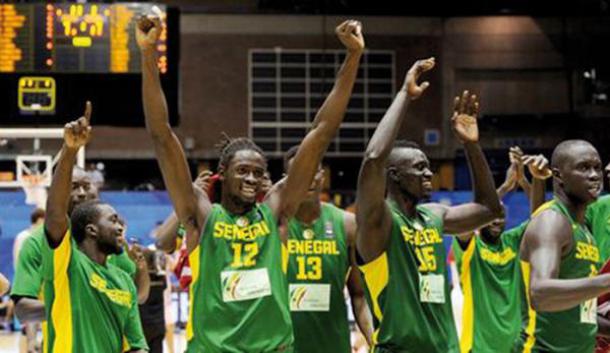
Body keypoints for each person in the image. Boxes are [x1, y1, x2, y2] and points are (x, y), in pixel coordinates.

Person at [137, 13, 363, 352]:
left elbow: (321, 132)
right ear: (222, 172)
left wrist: (353, 57)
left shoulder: (275, 211)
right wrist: (148, 55)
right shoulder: (201, 215)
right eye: (243, 171)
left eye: (258, 172)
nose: (253, 178)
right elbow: (162, 136)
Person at [355, 57, 504, 353]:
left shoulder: (433, 216)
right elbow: (373, 159)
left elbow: (491, 209)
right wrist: (405, 96)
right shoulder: (379, 221)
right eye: (419, 167)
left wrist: (472, 145)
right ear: (394, 176)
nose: (428, 173)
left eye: (428, 167)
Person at [39, 102, 148, 352]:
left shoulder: (124, 281)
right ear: (91, 230)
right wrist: (70, 150)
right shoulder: (67, 264)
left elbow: (136, 344)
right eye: (112, 220)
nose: (120, 227)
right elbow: (56, 215)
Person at [513, 140, 608, 353]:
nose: (594, 175)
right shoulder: (552, 221)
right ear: (558, 175)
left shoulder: (584, 230)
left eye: (597, 168)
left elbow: (579, 310)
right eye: (583, 168)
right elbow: (541, 294)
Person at [453, 148, 549, 353]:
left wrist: (524, 181)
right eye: (492, 216)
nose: (497, 221)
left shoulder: (513, 241)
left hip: (515, 344)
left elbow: (541, 218)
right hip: (477, 346)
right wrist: (505, 187)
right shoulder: (470, 247)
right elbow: (468, 219)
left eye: (502, 216)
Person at [283, 146, 373, 353]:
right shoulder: (273, 225)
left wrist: (373, 339)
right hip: (282, 347)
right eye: (298, 171)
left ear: (322, 176)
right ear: (286, 179)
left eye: (313, 170)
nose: (307, 177)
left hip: (333, 345)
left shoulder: (348, 225)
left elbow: (358, 295)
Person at [12, 208, 45, 353]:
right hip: (31, 277)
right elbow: (19, 259)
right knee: (32, 311)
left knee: (37, 313)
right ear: (38, 220)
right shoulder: (28, 237)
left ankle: (35, 343)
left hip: (32, 277)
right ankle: (32, 343)